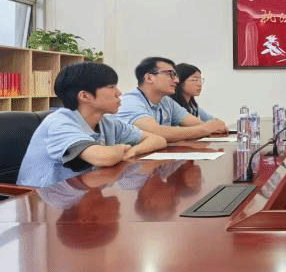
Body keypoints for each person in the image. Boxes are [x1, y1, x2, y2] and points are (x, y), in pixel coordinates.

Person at [16, 62, 166, 187]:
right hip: (42, 201)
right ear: (84, 96)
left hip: (79, 194)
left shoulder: (107, 122)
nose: (119, 92)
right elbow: (103, 158)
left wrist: (133, 151)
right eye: (111, 86)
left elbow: (158, 140)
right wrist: (122, 148)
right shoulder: (60, 123)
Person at [116, 57, 228, 142]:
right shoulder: (130, 102)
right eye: (170, 74)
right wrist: (207, 128)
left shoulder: (166, 101)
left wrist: (211, 127)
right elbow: (157, 132)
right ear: (149, 78)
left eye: (175, 75)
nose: (176, 80)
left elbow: (196, 124)